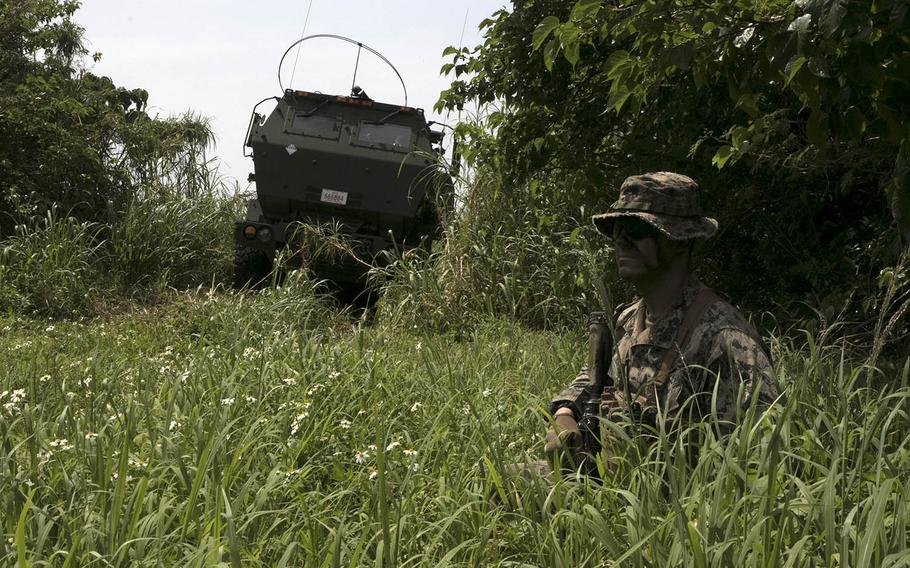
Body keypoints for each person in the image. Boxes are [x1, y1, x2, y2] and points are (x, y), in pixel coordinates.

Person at [544, 172, 780, 471]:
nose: (621, 240)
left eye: (636, 229)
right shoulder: (629, 320)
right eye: (617, 228)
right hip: (605, 480)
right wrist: (565, 415)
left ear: (679, 240)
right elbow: (594, 379)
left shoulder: (726, 339)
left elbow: (760, 459)